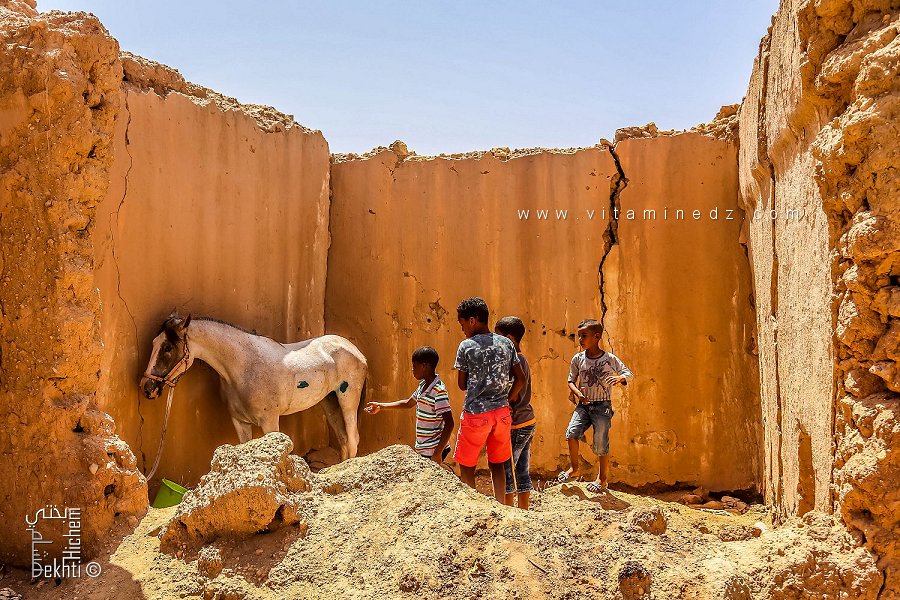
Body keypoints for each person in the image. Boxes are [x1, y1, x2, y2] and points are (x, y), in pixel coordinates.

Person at [453, 297, 526, 503]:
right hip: (502, 414)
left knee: (467, 464)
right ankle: (501, 504)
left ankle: (472, 506)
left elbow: (461, 384)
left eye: (462, 324)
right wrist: (508, 400)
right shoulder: (506, 344)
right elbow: (520, 379)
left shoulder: (466, 346)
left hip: (476, 413)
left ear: (472, 320)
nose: (463, 329)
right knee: (498, 462)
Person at [559, 319, 633, 493]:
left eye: (584, 336)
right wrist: (578, 393)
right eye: (579, 336)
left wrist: (619, 378)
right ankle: (575, 469)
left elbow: (628, 373)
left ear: (596, 337)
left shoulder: (609, 359)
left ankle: (602, 479)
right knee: (571, 433)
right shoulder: (578, 359)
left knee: (600, 443)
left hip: (602, 407)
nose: (580, 340)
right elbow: (571, 380)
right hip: (583, 406)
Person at [364, 346, 454, 464]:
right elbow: (408, 403)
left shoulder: (438, 391)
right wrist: (381, 406)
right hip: (424, 449)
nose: (412, 370)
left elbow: (450, 423)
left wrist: (437, 453)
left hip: (433, 449)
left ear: (424, 366)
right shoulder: (423, 386)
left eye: (414, 366)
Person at [495, 316, 535, 510]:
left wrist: (505, 401)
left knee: (506, 470)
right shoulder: (523, 359)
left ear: (509, 339)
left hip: (516, 423)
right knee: (522, 470)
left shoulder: (513, 361)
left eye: (498, 337)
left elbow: (513, 387)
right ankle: (524, 510)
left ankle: (508, 511)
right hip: (527, 420)